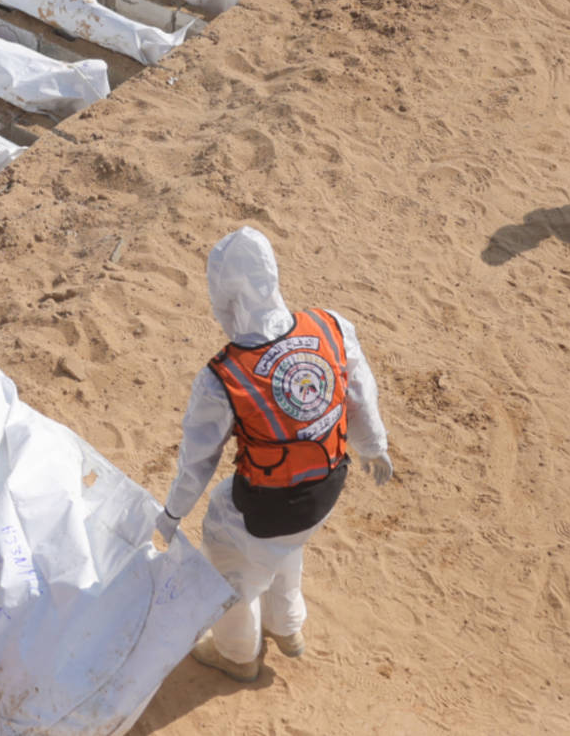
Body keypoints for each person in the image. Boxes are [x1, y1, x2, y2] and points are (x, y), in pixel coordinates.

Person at [154, 226, 393, 682]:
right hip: (327, 484)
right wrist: (374, 447)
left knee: (232, 569)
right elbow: (361, 395)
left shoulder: (222, 378)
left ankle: (238, 654)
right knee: (283, 546)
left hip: (267, 507)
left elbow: (197, 461)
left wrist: (171, 514)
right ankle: (288, 628)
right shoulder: (332, 324)